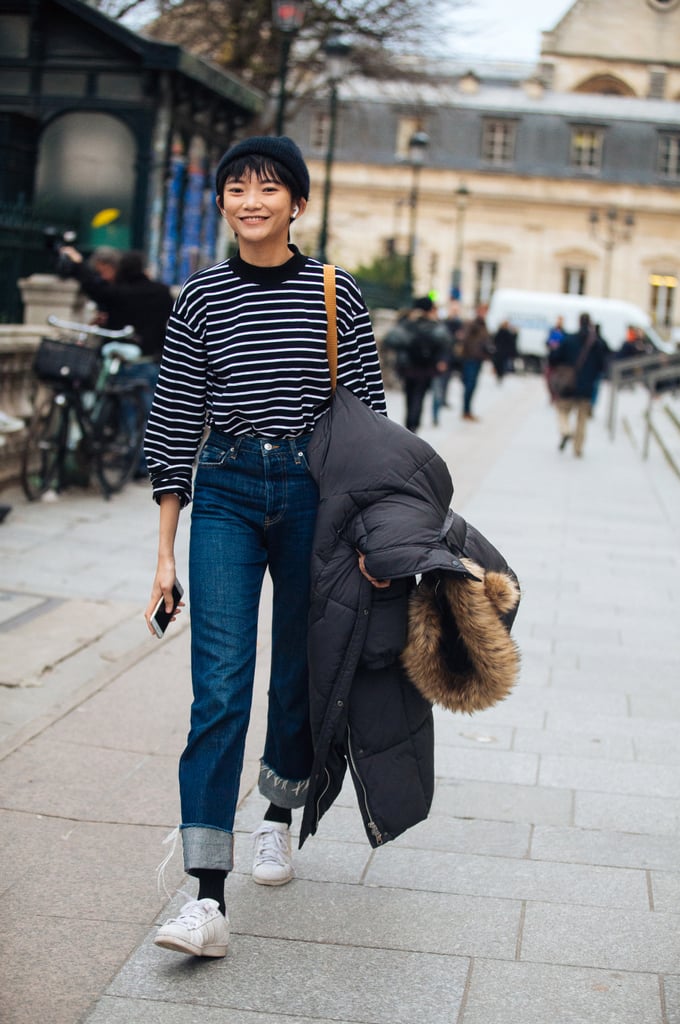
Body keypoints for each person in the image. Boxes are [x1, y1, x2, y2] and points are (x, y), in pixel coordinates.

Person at [142, 135, 386, 958]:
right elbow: (175, 419)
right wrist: (164, 553)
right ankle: (204, 896)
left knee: (296, 674)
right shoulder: (199, 297)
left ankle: (277, 813)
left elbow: (370, 420)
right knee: (217, 688)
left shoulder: (334, 292)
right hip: (228, 494)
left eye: (268, 187)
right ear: (222, 202)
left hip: (314, 497)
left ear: (298, 204)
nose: (250, 200)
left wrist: (368, 529)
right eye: (236, 187)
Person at [59, 244, 174, 474]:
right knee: (148, 415)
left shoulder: (119, 292)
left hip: (121, 357)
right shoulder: (161, 292)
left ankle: (126, 459)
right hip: (150, 359)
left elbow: (95, 288)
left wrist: (77, 264)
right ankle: (143, 463)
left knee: (124, 411)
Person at [383, 296, 450, 431]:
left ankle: (410, 423)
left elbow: (391, 339)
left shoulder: (408, 324)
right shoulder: (434, 325)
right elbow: (446, 342)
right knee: (419, 396)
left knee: (410, 396)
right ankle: (413, 425)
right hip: (425, 368)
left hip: (409, 367)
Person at [548, 311, 609, 457]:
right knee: (582, 419)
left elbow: (554, 357)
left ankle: (566, 430)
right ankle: (578, 448)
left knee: (562, 410)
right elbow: (603, 364)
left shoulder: (569, 339)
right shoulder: (597, 343)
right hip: (587, 386)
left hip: (568, 384)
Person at [460, 312, 491, 421]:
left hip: (478, 359)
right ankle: (465, 410)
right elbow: (465, 340)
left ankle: (467, 410)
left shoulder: (484, 326)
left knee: (472, 385)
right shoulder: (473, 325)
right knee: (469, 384)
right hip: (470, 359)